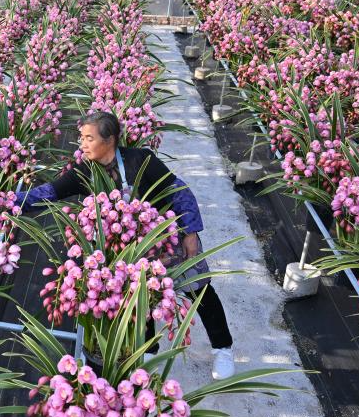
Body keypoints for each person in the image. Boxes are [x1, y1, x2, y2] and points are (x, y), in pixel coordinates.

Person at [15, 111, 236, 381]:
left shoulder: (140, 160)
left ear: (109, 140)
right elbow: (49, 192)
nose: (82, 145)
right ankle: (149, 352)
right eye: (81, 138)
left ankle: (223, 348)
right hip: (130, 253)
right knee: (140, 300)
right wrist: (8, 201)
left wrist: (190, 232)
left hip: (170, 242)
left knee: (199, 291)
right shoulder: (85, 172)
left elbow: (178, 190)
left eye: (88, 138)